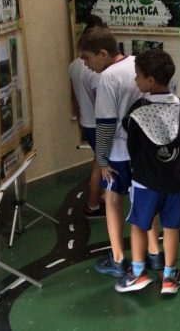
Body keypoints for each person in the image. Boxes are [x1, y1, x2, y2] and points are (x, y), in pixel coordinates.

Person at [78, 24, 163, 278]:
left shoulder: (108, 78)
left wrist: (102, 159)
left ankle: (117, 258)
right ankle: (155, 252)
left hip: (119, 151)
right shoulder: (140, 65)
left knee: (113, 199)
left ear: (103, 53)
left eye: (87, 58)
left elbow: (105, 123)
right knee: (145, 199)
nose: (86, 64)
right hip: (147, 149)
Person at [115, 49, 180, 294]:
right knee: (172, 228)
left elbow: (132, 144)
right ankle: (169, 277)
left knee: (139, 225)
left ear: (150, 81)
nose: (135, 80)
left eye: (138, 76)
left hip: (145, 182)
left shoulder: (137, 111)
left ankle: (138, 272)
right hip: (176, 182)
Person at [69, 16, 104, 218]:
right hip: (98, 124)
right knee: (101, 165)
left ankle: (99, 199)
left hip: (87, 122)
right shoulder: (95, 71)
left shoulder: (73, 65)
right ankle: (94, 205)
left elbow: (73, 95)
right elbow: (101, 100)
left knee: (99, 161)